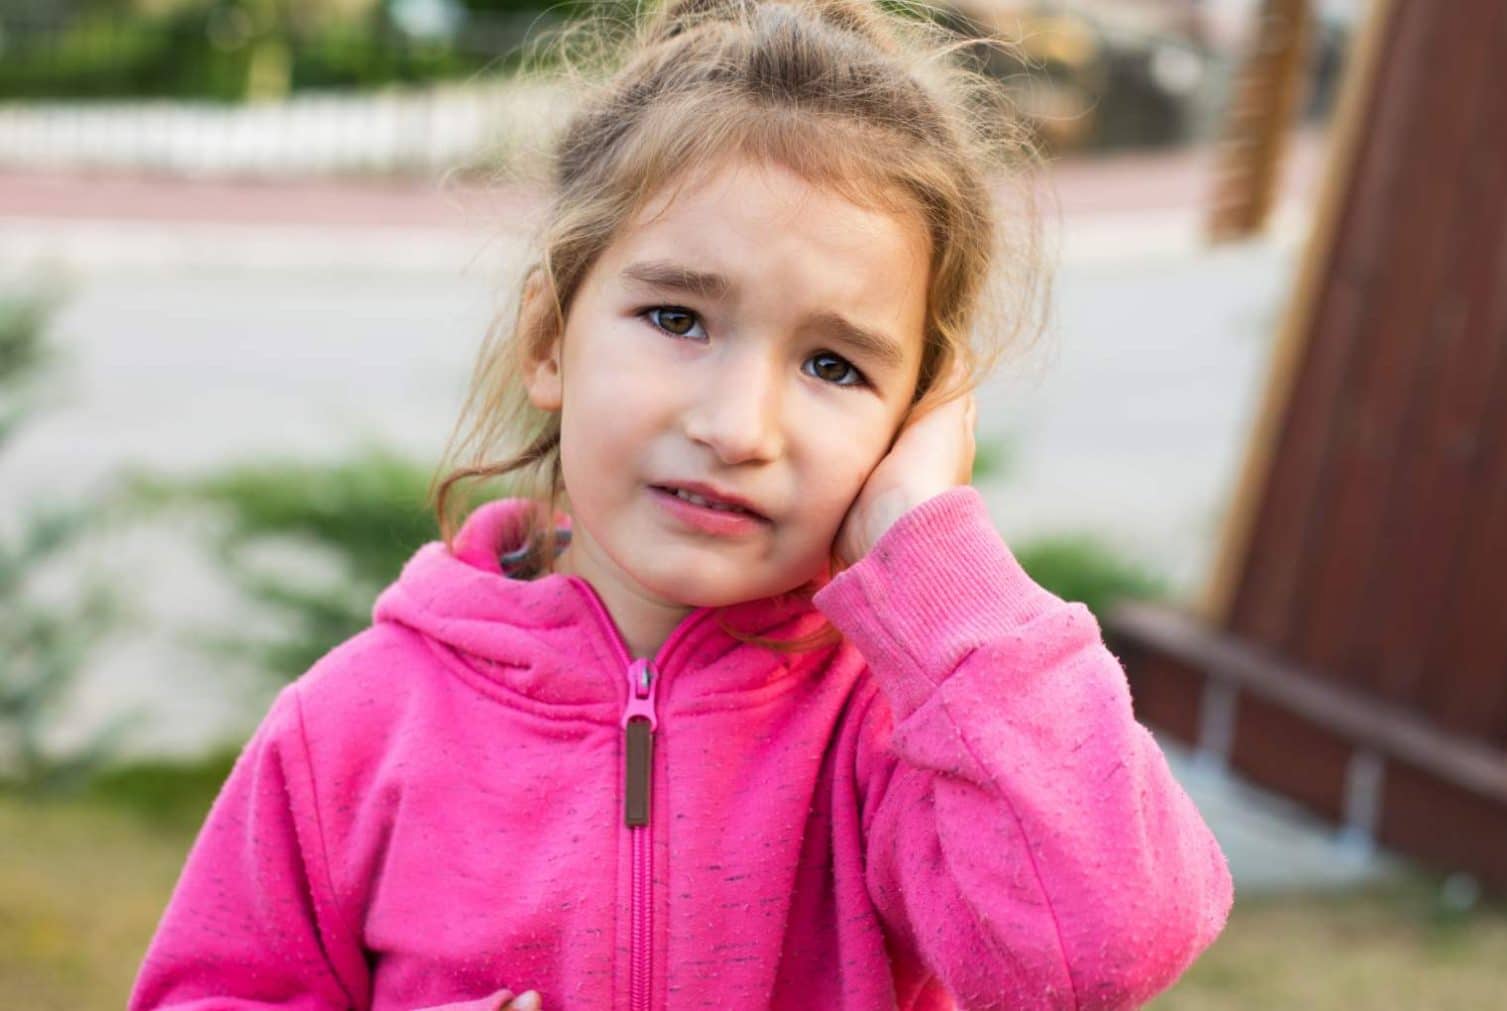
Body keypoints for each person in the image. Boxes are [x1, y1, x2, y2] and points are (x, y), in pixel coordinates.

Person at [128, 0, 1233, 1008]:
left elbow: (1111, 946)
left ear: (916, 420)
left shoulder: (901, 739)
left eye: (836, 368)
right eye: (677, 319)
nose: (737, 426)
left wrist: (929, 554)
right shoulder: (352, 730)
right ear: (550, 338)